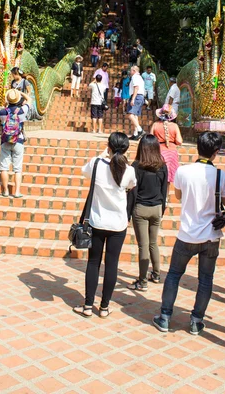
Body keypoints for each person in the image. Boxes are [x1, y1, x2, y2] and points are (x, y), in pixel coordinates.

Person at [153, 132, 225, 335]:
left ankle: (165, 317)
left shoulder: (183, 172)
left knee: (174, 275)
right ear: (216, 152)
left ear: (197, 147)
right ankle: (196, 321)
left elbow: (178, 196)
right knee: (205, 279)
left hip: (187, 234)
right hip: (211, 235)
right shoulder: (221, 175)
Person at [73, 132, 137, 318]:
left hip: (97, 222)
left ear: (108, 146)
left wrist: (104, 154)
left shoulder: (96, 164)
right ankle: (104, 307)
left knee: (93, 263)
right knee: (112, 264)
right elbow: (131, 186)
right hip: (118, 224)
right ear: (126, 149)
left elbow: (84, 171)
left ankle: (87, 305)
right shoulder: (129, 170)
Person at [128, 135, 168, 291]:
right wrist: (162, 208)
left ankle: (142, 281)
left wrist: (128, 212)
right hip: (157, 207)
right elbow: (165, 189)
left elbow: (133, 192)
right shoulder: (162, 166)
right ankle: (156, 275)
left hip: (141, 209)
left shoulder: (137, 166)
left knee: (143, 246)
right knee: (153, 243)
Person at [0, 89, 31, 198]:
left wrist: (6, 99)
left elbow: (2, 118)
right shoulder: (22, 111)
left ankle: (6, 191)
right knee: (17, 168)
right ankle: (17, 192)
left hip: (5, 140)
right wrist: (19, 92)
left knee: (4, 167)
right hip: (18, 140)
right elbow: (29, 99)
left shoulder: (3, 112)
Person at [151, 104, 182, 185]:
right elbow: (179, 141)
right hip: (172, 153)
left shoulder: (155, 125)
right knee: (167, 178)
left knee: (157, 176)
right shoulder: (175, 126)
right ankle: (166, 196)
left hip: (158, 152)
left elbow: (150, 140)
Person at [127, 65, 146, 141]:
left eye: (131, 71)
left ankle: (140, 130)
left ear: (134, 71)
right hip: (140, 96)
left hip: (136, 96)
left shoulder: (135, 77)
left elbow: (136, 87)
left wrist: (133, 99)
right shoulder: (140, 78)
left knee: (130, 114)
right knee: (135, 115)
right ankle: (135, 134)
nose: (130, 72)